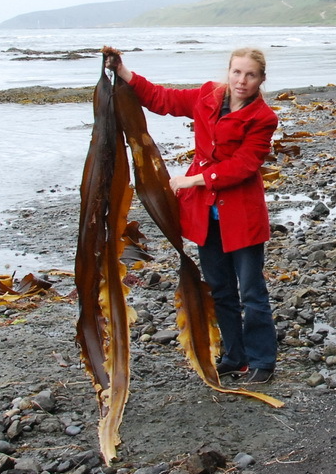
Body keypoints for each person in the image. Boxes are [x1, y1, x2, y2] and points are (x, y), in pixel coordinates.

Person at [102, 45, 279, 385]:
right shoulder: (206, 96)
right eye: (237, 72)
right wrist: (123, 73)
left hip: (241, 215)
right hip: (204, 214)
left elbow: (243, 166)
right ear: (229, 72)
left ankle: (262, 360)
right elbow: (162, 100)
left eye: (250, 75)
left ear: (261, 80)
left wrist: (193, 179)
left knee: (252, 292)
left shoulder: (263, 118)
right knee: (219, 288)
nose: (242, 81)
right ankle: (235, 356)